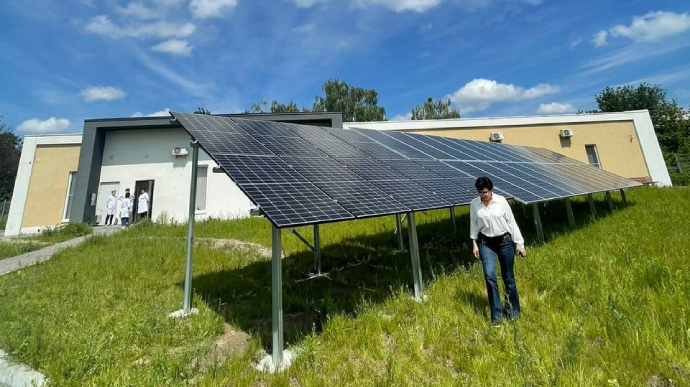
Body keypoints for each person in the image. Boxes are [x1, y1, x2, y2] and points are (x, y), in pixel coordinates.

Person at [470, 176, 526, 326]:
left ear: (491, 190)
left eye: (486, 192)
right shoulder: (474, 204)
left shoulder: (501, 201)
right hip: (485, 242)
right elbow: (474, 224)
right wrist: (474, 244)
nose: (483, 195)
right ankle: (497, 316)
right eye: (480, 192)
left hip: (504, 241)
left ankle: (513, 311)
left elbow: (511, 222)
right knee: (490, 277)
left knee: (508, 278)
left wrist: (519, 244)